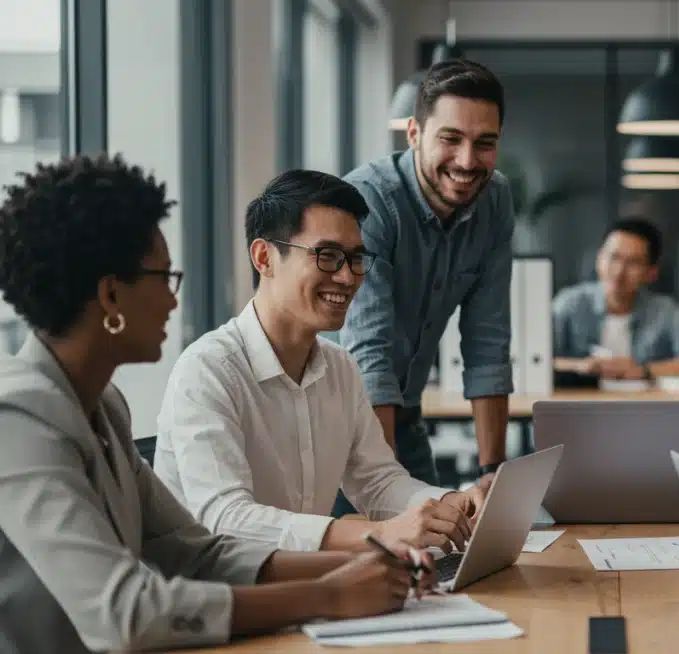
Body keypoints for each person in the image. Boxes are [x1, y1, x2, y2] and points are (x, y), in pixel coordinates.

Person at [0, 155, 435, 653]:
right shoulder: (18, 418)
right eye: (165, 278)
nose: (172, 300)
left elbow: (199, 554)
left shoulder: (104, 406)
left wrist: (373, 563)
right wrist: (328, 594)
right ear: (111, 295)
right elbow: (126, 610)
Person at [155, 170, 486, 555]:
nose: (347, 277)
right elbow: (226, 518)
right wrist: (376, 535)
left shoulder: (340, 368)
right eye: (328, 257)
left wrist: (449, 503)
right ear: (265, 257)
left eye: (356, 259)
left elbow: (377, 481)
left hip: (299, 585)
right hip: (214, 599)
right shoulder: (207, 370)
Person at [337, 58, 514, 507]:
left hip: (405, 413)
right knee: (372, 561)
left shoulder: (495, 201)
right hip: (333, 422)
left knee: (440, 554)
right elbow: (368, 356)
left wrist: (493, 474)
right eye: (450, 139)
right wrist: (387, 494)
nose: (467, 161)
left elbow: (488, 340)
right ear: (414, 133)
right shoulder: (367, 203)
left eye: (485, 143)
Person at [553, 218, 679, 382]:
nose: (619, 272)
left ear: (651, 272)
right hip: (580, 404)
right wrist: (579, 366)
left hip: (642, 405)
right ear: (598, 259)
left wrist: (643, 371)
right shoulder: (569, 303)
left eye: (633, 262)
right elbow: (532, 360)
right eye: (613, 257)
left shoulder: (667, 312)